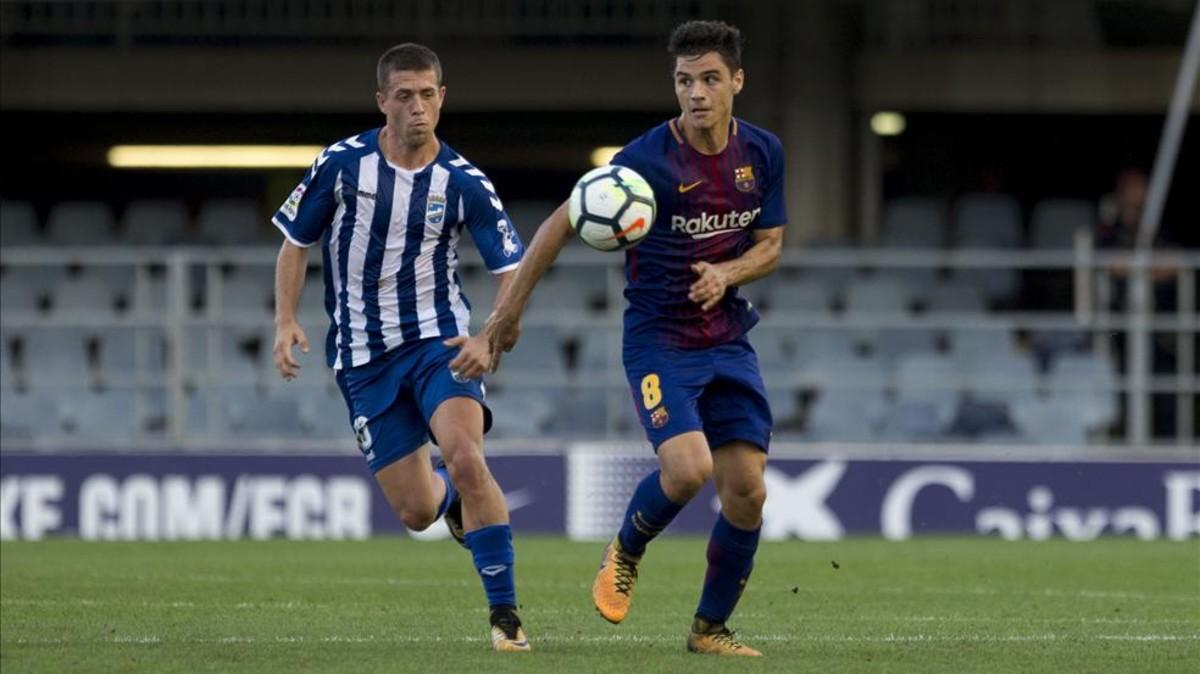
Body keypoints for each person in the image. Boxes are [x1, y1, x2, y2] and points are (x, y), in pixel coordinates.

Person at [480, 20, 786, 657]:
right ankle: (625, 548)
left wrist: (726, 273)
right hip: (659, 340)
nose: (695, 93)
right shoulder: (645, 159)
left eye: (708, 79)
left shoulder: (763, 154)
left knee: (749, 490)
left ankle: (709, 630)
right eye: (683, 81)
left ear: (737, 81)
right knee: (689, 468)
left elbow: (771, 245)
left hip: (728, 338)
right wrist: (506, 314)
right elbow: (557, 226)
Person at [270, 43, 530, 652]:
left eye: (429, 94)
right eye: (405, 96)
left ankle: (506, 616)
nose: (419, 107)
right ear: (382, 101)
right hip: (362, 356)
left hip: (439, 343)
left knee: (467, 457)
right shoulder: (342, 164)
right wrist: (285, 320)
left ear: (443, 97)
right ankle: (458, 506)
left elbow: (512, 271)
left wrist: (489, 334)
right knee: (417, 513)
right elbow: (294, 242)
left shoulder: (464, 182)